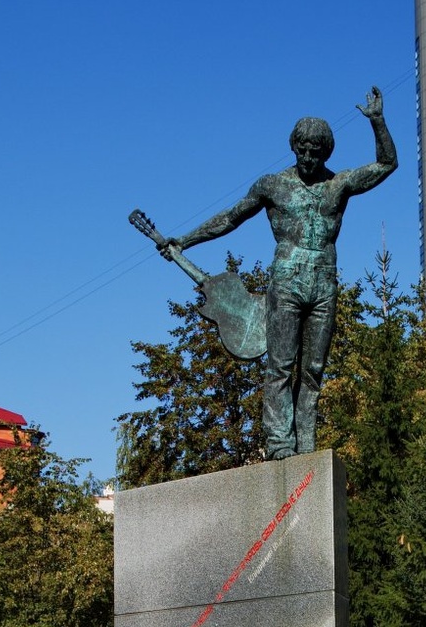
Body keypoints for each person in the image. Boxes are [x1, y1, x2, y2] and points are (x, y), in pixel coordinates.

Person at [162, 88, 396, 459]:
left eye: (315, 152)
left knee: (314, 370)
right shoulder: (273, 185)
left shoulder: (339, 185)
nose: (307, 157)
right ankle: (279, 445)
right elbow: (230, 217)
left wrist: (377, 122)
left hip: (323, 284)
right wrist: (185, 240)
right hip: (286, 282)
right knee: (281, 366)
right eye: (301, 150)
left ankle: (306, 446)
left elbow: (386, 165)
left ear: (325, 153)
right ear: (293, 147)